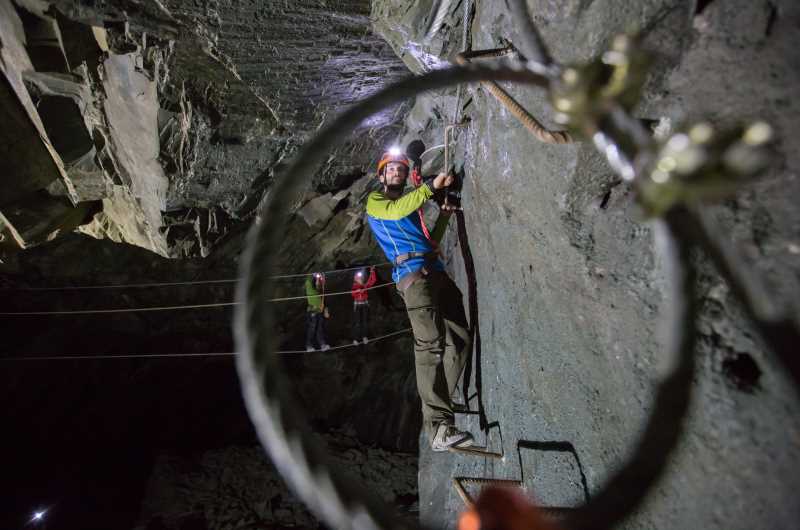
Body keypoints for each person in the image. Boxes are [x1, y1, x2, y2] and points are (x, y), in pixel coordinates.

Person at [365, 149, 473, 452]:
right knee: (430, 342)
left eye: (401, 168)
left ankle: (443, 407)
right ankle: (438, 427)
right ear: (382, 176)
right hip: (413, 277)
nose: (397, 172)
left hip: (434, 269)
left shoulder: (409, 204)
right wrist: (429, 188)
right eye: (391, 169)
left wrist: (445, 215)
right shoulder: (377, 202)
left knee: (460, 339)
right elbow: (396, 211)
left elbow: (429, 240)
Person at [351, 266, 377, 344]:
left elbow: (373, 280)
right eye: (358, 278)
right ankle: (356, 339)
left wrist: (372, 271)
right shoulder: (354, 287)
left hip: (365, 305)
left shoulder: (365, 286)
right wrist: (358, 291)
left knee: (365, 322)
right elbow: (352, 294)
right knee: (358, 323)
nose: (360, 279)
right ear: (355, 279)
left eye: (361, 278)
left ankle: (364, 337)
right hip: (357, 306)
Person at [305, 272, 330, 351]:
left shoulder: (321, 293)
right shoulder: (311, 290)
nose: (318, 282)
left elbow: (325, 302)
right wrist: (313, 275)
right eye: (317, 281)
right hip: (312, 311)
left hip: (319, 312)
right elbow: (307, 282)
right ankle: (309, 345)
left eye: (318, 282)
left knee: (320, 328)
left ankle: (322, 344)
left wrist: (326, 311)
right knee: (312, 328)